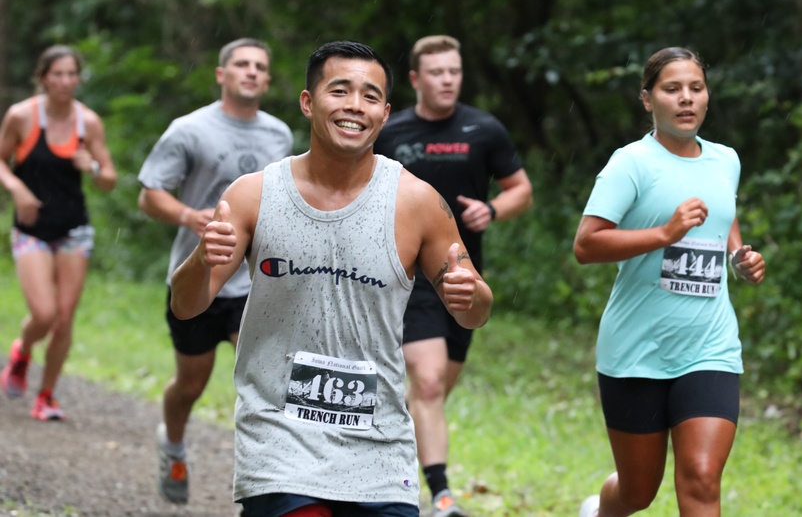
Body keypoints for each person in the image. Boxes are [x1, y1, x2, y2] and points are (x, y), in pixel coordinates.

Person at [170, 40, 494, 517]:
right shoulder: (252, 195)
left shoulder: (417, 202)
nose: (354, 107)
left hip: (379, 444)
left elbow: (476, 312)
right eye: (339, 90)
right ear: (308, 102)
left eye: (368, 96)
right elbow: (186, 304)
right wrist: (202, 258)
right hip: (279, 436)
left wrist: (469, 294)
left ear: (384, 113)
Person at [572, 47, 766, 517]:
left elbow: (724, 223)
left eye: (695, 89)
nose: (686, 99)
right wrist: (665, 234)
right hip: (637, 350)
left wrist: (740, 258)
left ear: (707, 97)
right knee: (638, 492)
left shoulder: (725, 161)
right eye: (671, 89)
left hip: (708, 346)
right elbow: (587, 245)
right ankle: (600, 510)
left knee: (701, 477)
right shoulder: (630, 163)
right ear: (647, 99)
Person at [373, 35, 532, 516]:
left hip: (461, 276)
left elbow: (521, 189)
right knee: (427, 383)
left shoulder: (482, 129)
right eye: (437, 72)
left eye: (454, 72)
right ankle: (441, 496)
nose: (447, 80)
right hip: (406, 275)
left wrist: (493, 209)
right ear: (418, 79)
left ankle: (376, 448)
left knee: (432, 390)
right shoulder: (392, 131)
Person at [137, 38, 293, 505]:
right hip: (200, 279)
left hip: (256, 281)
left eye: (259, 66)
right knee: (191, 384)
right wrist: (190, 216)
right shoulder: (189, 129)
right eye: (241, 64)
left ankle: (273, 480)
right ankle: (174, 446)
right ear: (221, 74)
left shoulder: (280, 135)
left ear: (267, 79)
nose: (250, 72)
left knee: (269, 380)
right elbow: (149, 195)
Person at [0, 45, 117, 421]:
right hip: (32, 229)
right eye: (58, 74)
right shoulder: (21, 116)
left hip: (73, 229)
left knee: (64, 318)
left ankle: (46, 396)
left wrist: (94, 166)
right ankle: (22, 351)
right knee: (45, 313)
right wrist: (18, 189)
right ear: (43, 77)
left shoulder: (88, 122)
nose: (66, 81)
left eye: (72, 74)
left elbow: (109, 180)